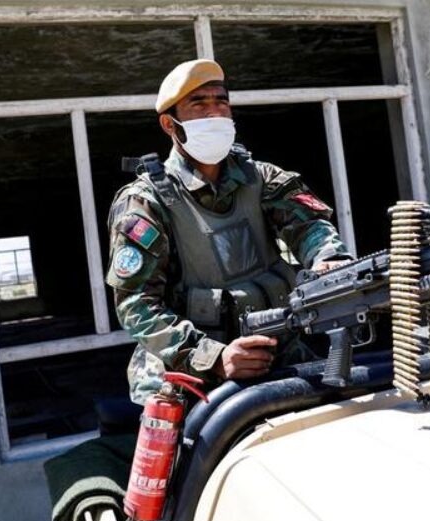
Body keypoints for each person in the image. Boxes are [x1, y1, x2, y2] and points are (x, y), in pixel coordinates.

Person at [106, 59, 352, 405]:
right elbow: (135, 304)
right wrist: (214, 358)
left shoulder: (260, 177)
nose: (214, 113)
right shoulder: (147, 202)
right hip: (187, 380)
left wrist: (330, 259)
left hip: (277, 356)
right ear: (169, 123)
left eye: (221, 102)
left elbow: (309, 225)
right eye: (199, 104)